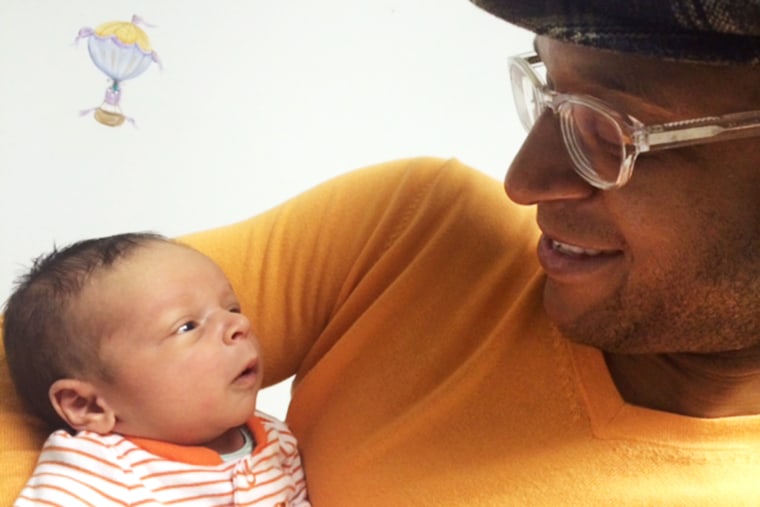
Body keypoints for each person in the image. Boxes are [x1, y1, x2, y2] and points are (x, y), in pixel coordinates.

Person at [3, 0, 760, 504]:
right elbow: (39, 357)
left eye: (611, 134)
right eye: (550, 97)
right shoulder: (412, 233)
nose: (523, 181)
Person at [3, 233, 310, 506]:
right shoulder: (101, 468)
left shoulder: (276, 439)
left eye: (232, 309)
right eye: (188, 326)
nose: (240, 325)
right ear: (89, 405)